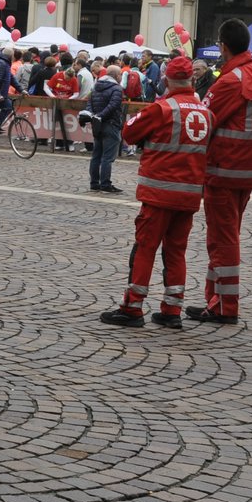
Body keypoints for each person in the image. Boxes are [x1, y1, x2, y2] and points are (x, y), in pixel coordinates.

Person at [99, 56, 214, 329]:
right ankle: (172, 310)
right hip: (189, 195)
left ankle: (132, 307)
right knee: (176, 252)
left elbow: (128, 133)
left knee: (145, 249)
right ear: (193, 80)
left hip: (159, 192)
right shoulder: (208, 114)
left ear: (166, 80)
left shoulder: (162, 108)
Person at [191, 18, 252, 325]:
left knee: (222, 238)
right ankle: (214, 298)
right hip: (249, 168)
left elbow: (204, 121)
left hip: (224, 168)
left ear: (223, 46)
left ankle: (225, 305)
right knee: (225, 235)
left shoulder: (230, 81)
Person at [85, 65, 125, 193]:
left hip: (97, 124)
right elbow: (113, 105)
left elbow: (88, 103)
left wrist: (94, 116)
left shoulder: (96, 86)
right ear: (116, 75)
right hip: (111, 123)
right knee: (107, 157)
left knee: (96, 155)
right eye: (120, 75)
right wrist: (101, 116)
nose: (121, 77)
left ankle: (94, 183)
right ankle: (105, 184)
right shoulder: (117, 89)